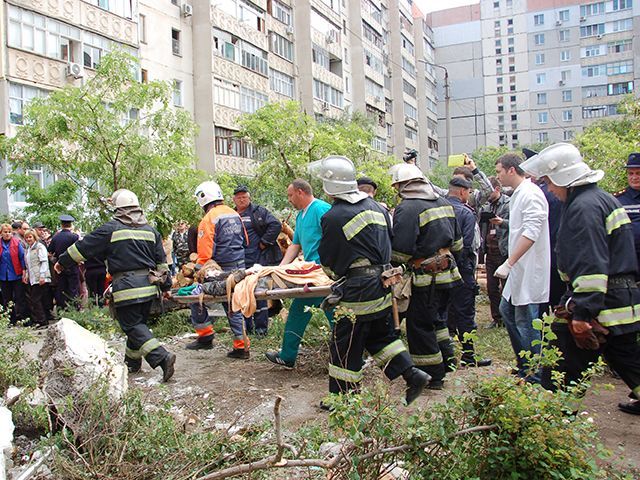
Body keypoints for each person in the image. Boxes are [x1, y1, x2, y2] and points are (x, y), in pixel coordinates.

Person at [521, 143, 640, 415]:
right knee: (628, 360)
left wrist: (582, 314)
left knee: (563, 367)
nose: (549, 189)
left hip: (599, 303)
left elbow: (591, 264)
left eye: (549, 182)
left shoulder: (583, 208)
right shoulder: (603, 199)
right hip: (620, 301)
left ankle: (558, 423)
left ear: (563, 177)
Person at [311, 156, 428, 405]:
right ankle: (412, 373)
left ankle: (342, 400)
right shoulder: (377, 207)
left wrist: (336, 274)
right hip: (383, 285)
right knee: (380, 337)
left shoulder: (334, 217)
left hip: (357, 292)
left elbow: (331, 261)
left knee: (345, 343)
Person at [55, 189, 175, 382]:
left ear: (118, 209)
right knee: (138, 325)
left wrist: (62, 262)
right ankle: (132, 364)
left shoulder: (111, 229)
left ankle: (162, 357)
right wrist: (166, 287)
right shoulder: (151, 231)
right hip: (150, 287)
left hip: (127, 288)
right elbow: (162, 264)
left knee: (132, 326)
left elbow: (82, 249)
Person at [390, 163, 464, 389]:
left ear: (403, 185)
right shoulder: (443, 202)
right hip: (449, 274)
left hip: (425, 278)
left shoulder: (408, 208)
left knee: (419, 325)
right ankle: (448, 360)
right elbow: (459, 244)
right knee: (437, 320)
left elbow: (401, 251)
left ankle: (432, 375)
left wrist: (391, 266)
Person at [265, 179, 333, 368]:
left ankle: (353, 355)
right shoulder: (301, 216)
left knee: (334, 312)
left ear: (301, 192)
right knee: (297, 311)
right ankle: (287, 356)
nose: (289, 199)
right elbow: (295, 245)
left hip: (324, 274)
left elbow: (334, 237)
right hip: (309, 274)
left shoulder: (321, 209)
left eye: (290, 195)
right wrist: (279, 270)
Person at [494, 153, 550, 382]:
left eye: (498, 171)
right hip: (519, 269)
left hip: (529, 269)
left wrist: (510, 261)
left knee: (526, 322)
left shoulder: (531, 194)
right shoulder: (518, 194)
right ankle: (524, 365)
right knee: (507, 312)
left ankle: (535, 375)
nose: (497, 176)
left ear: (511, 170)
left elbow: (531, 232)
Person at [190, 181, 249, 358]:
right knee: (233, 304)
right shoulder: (235, 214)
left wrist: (198, 273)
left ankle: (205, 336)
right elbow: (245, 241)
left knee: (195, 295)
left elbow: (204, 254)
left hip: (219, 272)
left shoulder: (208, 220)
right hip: (239, 267)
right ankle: (241, 345)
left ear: (203, 198)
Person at [445, 177, 492, 367]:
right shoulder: (465, 213)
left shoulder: (438, 208)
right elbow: (466, 244)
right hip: (461, 270)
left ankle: (446, 357)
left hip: (439, 269)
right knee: (465, 313)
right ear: (463, 192)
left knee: (443, 312)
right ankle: (468, 356)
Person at [232, 185, 282, 335]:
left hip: (259, 258)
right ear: (234, 199)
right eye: (238, 197)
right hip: (239, 259)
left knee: (260, 293)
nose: (241, 200)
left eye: (244, 197)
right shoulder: (231, 214)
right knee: (243, 292)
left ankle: (261, 329)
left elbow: (276, 224)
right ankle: (247, 328)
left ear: (249, 198)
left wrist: (264, 242)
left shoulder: (258, 211)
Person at [479, 177, 510, 328]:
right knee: (492, 288)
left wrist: (501, 222)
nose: (486, 195)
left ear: (497, 189)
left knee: (506, 287)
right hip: (490, 251)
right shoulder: (486, 206)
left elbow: (517, 224)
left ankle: (508, 317)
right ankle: (497, 318)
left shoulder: (509, 203)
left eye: (489, 192)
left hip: (504, 251)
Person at [614, 152, 640, 274]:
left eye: (638, 173)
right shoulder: (618, 200)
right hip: (631, 261)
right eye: (631, 173)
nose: (634, 177)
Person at [48, 214, 80, 310]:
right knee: (73, 289)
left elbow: (50, 252)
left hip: (60, 267)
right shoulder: (74, 237)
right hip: (72, 266)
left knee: (61, 289)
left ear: (61, 225)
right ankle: (75, 309)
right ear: (70, 225)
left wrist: (55, 261)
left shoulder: (56, 238)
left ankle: (62, 309)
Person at [23, 229, 51, 327]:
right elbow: (28, 265)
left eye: (30, 237)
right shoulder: (28, 249)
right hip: (33, 277)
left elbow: (44, 261)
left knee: (35, 299)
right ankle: (44, 319)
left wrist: (42, 275)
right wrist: (26, 275)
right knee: (40, 299)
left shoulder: (40, 247)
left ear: (34, 237)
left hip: (40, 276)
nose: (28, 239)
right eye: (26, 237)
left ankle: (42, 320)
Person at [0, 223, 26, 325]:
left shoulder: (16, 242)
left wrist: (24, 271)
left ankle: (22, 318)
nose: (7, 234)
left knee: (19, 297)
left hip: (16, 274)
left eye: (9, 232)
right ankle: (10, 319)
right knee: (7, 298)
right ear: (1, 233)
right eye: (5, 232)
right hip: (3, 276)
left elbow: (22, 257)